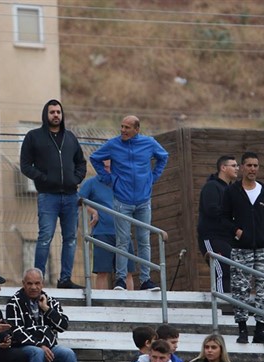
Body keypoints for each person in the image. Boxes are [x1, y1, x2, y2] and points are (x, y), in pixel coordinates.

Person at [89, 115, 169, 291]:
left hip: (143, 201)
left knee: (144, 240)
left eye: (127, 127)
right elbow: (94, 158)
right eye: (122, 126)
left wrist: (153, 178)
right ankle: (120, 280)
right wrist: (109, 179)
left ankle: (146, 280)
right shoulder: (113, 144)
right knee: (123, 241)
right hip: (122, 201)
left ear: (136, 129)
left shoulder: (149, 143)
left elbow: (163, 156)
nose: (123, 130)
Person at [19, 99, 87, 289]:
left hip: (71, 196)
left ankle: (65, 280)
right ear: (46, 114)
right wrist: (43, 178)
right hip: (48, 196)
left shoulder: (70, 138)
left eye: (58, 112)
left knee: (70, 239)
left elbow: (81, 163)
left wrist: (75, 179)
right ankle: (37, 280)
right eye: (52, 112)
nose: (56, 115)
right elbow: (25, 165)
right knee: (45, 237)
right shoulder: (34, 137)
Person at [222, 152, 264, 344]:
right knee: (241, 289)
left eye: (255, 165)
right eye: (249, 165)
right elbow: (223, 218)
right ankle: (242, 330)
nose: (252, 169)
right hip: (241, 249)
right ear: (242, 167)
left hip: (262, 249)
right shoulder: (232, 191)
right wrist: (237, 232)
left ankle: (260, 330)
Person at [6, 268, 83, 362]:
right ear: (23, 284)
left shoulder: (51, 302)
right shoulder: (14, 303)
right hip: (24, 349)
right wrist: (39, 345)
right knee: (37, 352)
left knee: (68, 353)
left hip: (50, 348)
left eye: (37, 283)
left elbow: (63, 326)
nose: (33, 287)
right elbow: (17, 331)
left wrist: (47, 309)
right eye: (29, 283)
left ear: (42, 284)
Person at [78, 159, 135, 289]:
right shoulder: (91, 183)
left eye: (110, 167)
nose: (108, 170)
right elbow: (79, 199)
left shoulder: (122, 182)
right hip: (102, 232)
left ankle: (131, 299)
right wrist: (93, 211)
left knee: (127, 272)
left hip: (123, 232)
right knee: (102, 272)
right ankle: (101, 300)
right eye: (105, 167)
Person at [197, 156, 239, 294]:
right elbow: (212, 210)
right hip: (212, 237)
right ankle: (222, 304)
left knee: (233, 271)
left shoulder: (232, 190)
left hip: (228, 239)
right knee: (222, 270)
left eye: (237, 165)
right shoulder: (212, 186)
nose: (237, 168)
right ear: (223, 167)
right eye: (233, 165)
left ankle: (230, 303)